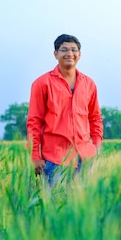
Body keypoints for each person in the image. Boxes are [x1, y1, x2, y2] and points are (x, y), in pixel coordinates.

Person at [26, 34, 103, 186]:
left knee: (82, 206)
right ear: (56, 54)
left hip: (85, 158)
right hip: (55, 159)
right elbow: (34, 122)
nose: (70, 54)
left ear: (79, 55)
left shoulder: (89, 84)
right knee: (56, 206)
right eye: (64, 50)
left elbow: (95, 117)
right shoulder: (42, 83)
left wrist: (97, 146)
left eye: (74, 50)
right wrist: (35, 155)